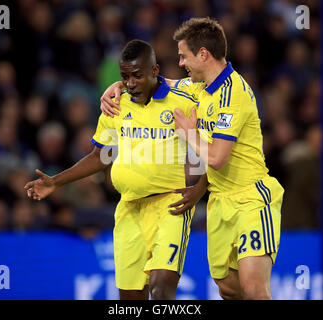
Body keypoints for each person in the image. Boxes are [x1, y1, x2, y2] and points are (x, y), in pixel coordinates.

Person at [100, 18, 285, 300]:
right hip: (219, 202)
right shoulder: (199, 87)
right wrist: (119, 85)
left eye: (184, 56)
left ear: (203, 54)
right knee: (227, 288)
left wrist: (188, 132)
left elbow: (218, 158)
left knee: (253, 287)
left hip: (252, 198)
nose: (182, 62)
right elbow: (161, 82)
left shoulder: (234, 94)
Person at [24, 39, 200, 300]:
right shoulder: (115, 105)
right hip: (129, 209)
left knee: (161, 289)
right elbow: (100, 157)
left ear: (155, 71)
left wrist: (200, 188)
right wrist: (56, 182)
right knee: (129, 298)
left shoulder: (183, 101)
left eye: (137, 76)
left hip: (169, 207)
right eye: (125, 77)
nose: (130, 83)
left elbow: (208, 148)